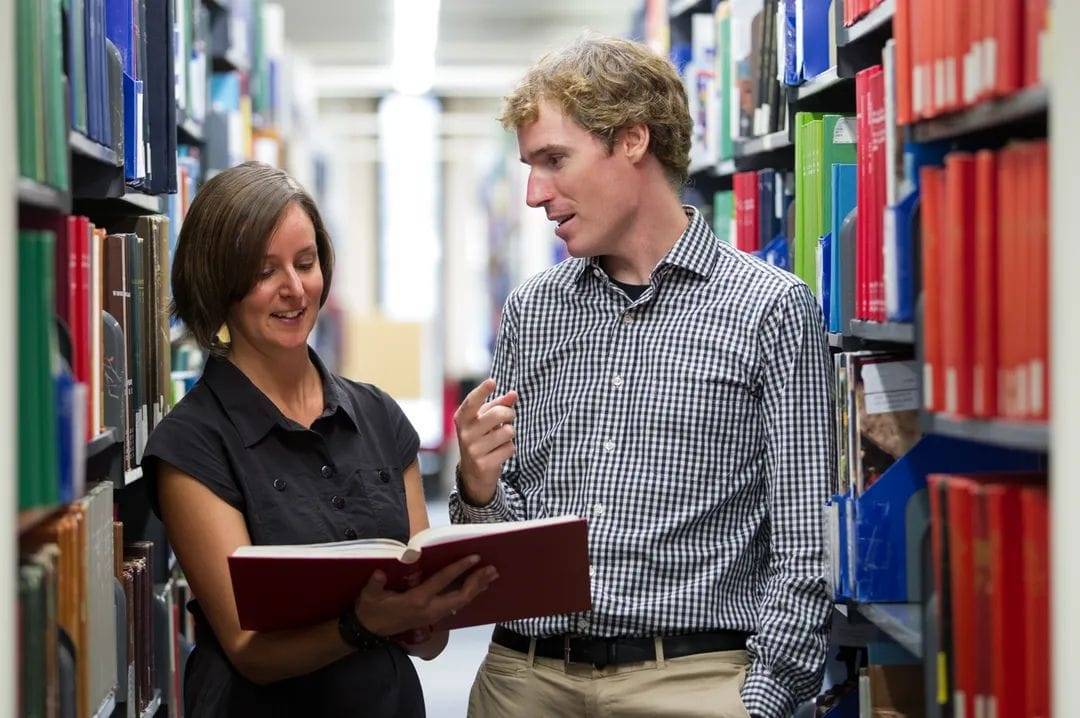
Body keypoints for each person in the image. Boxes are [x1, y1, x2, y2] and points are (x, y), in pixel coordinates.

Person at [450, 35, 834, 718]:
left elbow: (805, 545)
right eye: (529, 167)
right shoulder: (533, 311)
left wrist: (762, 699)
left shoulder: (770, 309)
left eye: (553, 160)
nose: (535, 193)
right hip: (523, 679)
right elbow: (497, 550)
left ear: (632, 140)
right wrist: (477, 490)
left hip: (690, 682)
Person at [143, 161, 497, 717]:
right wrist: (361, 625)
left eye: (306, 263)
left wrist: (434, 603)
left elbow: (431, 643)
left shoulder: (379, 415)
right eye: (264, 272)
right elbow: (250, 652)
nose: (295, 289)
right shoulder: (191, 444)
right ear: (219, 283)